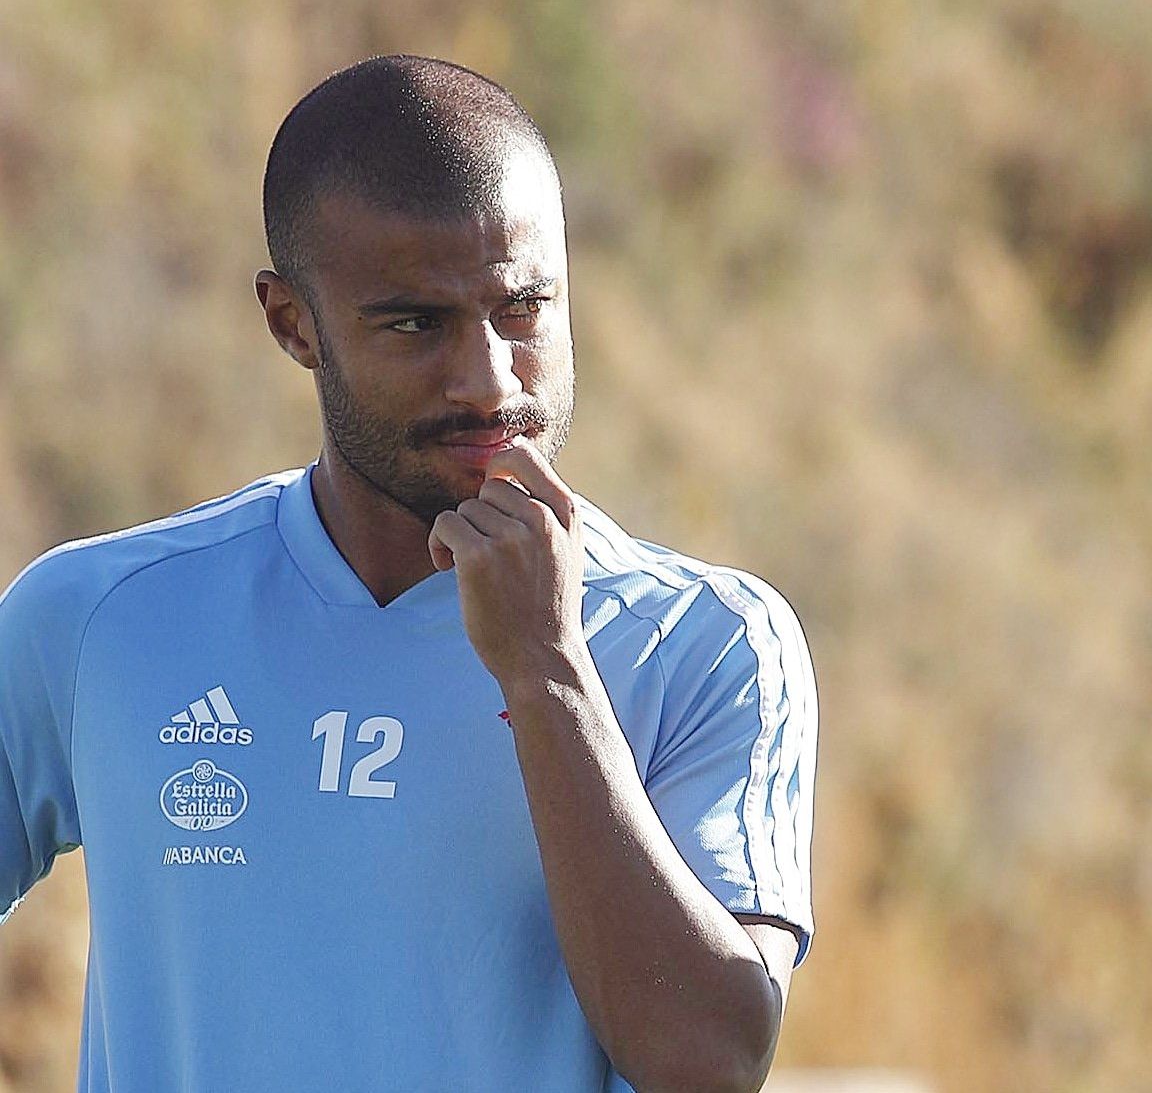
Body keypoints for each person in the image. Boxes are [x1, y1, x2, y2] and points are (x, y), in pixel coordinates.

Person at [0, 56, 816, 1092]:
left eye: (522, 308)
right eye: (415, 323)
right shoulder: (97, 620)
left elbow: (707, 1061)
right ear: (292, 323)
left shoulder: (705, 644)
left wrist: (546, 669)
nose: (489, 378)